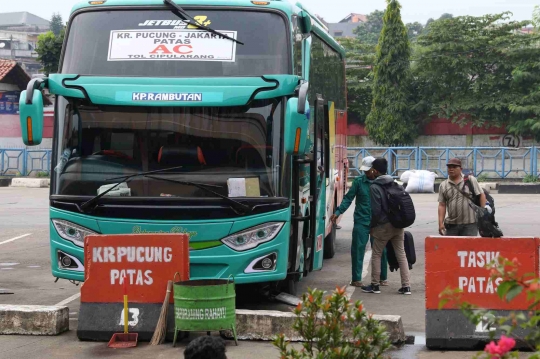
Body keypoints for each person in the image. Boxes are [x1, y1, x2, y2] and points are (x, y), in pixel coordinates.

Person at [330, 156, 388, 287]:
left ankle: (383, 277)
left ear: (374, 169)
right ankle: (356, 279)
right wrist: (338, 212)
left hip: (378, 222)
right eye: (365, 170)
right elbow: (348, 199)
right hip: (361, 221)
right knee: (357, 249)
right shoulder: (358, 182)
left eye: (369, 170)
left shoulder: (382, 182)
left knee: (381, 250)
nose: (366, 173)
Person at [361, 158, 411, 295]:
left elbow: (376, 211)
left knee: (376, 254)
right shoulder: (395, 183)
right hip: (398, 224)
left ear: (375, 171)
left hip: (383, 226)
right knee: (401, 254)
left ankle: (375, 285)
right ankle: (406, 286)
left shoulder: (375, 187)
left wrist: (372, 226)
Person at [438, 158, 486, 236]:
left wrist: (483, 215)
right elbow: (442, 205)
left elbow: (481, 195)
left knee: (469, 247)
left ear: (460, 169)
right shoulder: (443, 185)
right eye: (449, 167)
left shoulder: (470, 180)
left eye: (454, 167)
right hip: (451, 225)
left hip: (470, 224)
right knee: (451, 247)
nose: (451, 169)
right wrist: (440, 223)